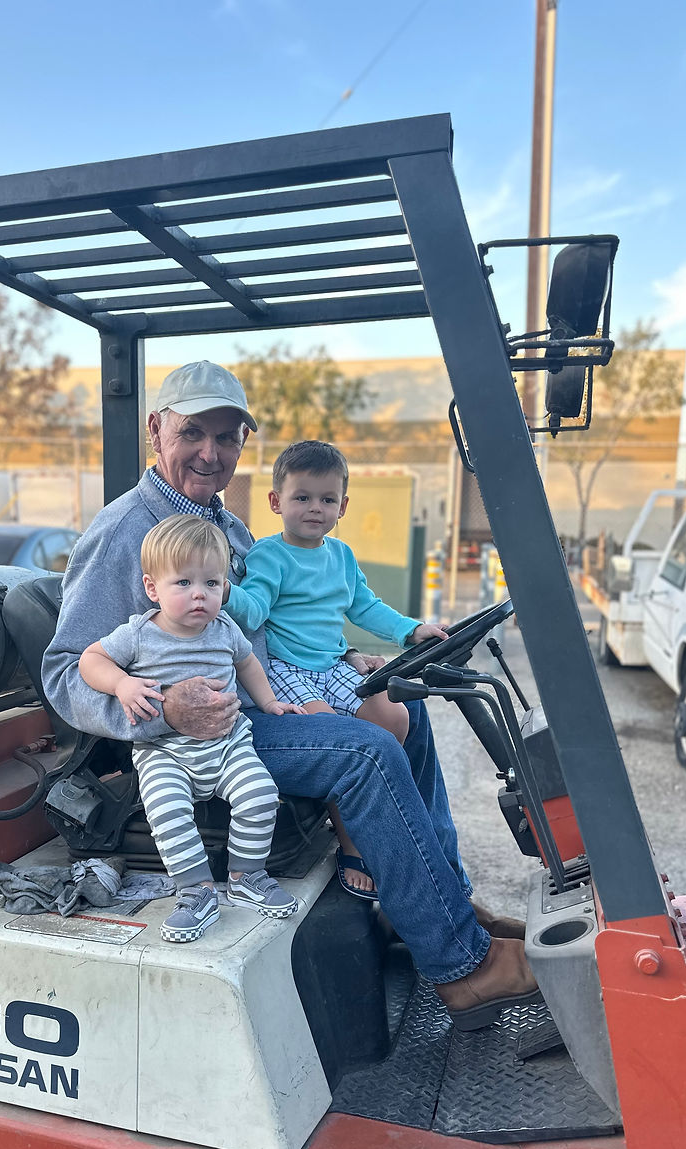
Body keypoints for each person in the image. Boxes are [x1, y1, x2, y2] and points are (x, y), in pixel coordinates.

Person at [43, 360, 538, 1032]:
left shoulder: (232, 529)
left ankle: (436, 898)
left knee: (408, 713)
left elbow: (270, 626)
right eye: (194, 433)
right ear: (156, 431)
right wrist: (164, 708)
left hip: (268, 703)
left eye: (227, 437)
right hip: (200, 739)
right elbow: (67, 669)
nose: (211, 453)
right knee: (364, 754)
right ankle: (462, 966)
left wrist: (348, 655)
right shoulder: (126, 532)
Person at [223, 439, 446, 901]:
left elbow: (366, 607)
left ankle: (397, 831)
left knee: (394, 716)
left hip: (331, 664)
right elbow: (253, 610)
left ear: (343, 506)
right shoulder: (269, 556)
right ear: (275, 502)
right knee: (336, 735)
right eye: (301, 498)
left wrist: (412, 631)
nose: (314, 509)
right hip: (288, 669)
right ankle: (350, 842)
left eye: (326, 500)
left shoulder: (341, 557)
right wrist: (223, 592)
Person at [78, 515, 303, 943]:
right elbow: (91, 660)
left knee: (260, 794)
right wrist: (122, 683)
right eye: (183, 583)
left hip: (226, 744)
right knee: (166, 811)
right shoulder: (139, 634)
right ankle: (196, 890)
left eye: (212, 584)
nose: (199, 594)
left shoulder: (225, 629)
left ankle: (247, 875)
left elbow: (247, 663)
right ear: (152, 588)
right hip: (164, 750)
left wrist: (270, 703)